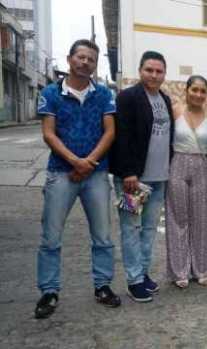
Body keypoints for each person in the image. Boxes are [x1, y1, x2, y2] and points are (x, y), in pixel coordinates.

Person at [34, 39, 120, 319]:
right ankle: (49, 291)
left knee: (103, 236)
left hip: (95, 174)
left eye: (91, 59)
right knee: (51, 237)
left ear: (96, 65)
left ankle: (103, 286)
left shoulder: (104, 95)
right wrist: (75, 161)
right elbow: (49, 133)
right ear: (70, 59)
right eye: (81, 57)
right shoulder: (51, 92)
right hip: (61, 172)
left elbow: (109, 132)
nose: (85, 62)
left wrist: (89, 163)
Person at [109, 51, 174, 303]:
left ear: (164, 74)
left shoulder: (165, 99)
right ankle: (134, 280)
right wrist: (128, 172)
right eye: (149, 70)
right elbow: (121, 136)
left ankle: (143, 273)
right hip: (135, 180)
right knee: (131, 228)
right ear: (140, 71)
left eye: (159, 71)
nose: (154, 75)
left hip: (159, 179)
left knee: (148, 229)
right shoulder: (127, 97)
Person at [165, 75, 207, 288]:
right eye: (194, 90)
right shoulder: (175, 111)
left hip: (202, 166)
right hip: (177, 163)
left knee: (201, 218)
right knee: (178, 218)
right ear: (186, 91)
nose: (198, 94)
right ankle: (180, 271)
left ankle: (201, 269)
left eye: (203, 91)